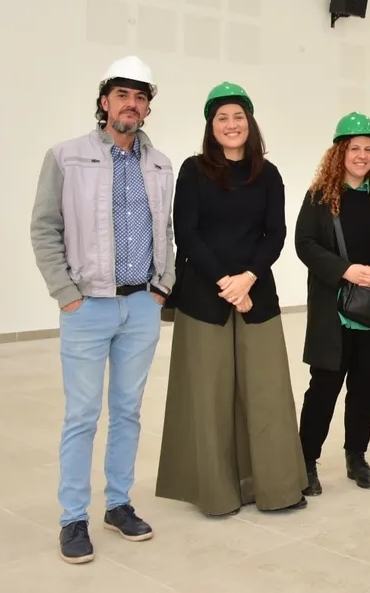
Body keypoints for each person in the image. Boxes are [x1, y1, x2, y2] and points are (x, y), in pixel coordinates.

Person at [29, 55, 174, 564]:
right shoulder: (66, 156)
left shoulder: (160, 164)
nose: (130, 105)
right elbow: (45, 227)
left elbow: (169, 231)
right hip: (86, 306)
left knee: (129, 411)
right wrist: (65, 292)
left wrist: (163, 287)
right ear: (103, 101)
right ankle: (73, 517)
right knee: (83, 415)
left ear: (147, 107)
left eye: (140, 97)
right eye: (121, 95)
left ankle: (118, 504)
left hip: (140, 306)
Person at [154, 82, 308, 516]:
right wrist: (227, 283)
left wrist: (248, 279)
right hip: (205, 295)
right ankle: (217, 494)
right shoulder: (193, 170)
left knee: (267, 393)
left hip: (257, 294)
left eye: (238, 116)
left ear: (250, 122)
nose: (231, 124)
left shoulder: (269, 173)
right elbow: (187, 234)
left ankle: (276, 488)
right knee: (209, 397)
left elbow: (274, 234)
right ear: (211, 126)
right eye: (221, 117)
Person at [294, 112, 370, 495]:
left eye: (368, 149)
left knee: (365, 390)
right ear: (339, 153)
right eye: (354, 148)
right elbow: (305, 244)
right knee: (323, 390)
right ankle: (306, 461)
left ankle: (356, 457)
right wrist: (345, 271)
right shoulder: (319, 198)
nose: (362, 155)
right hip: (334, 314)